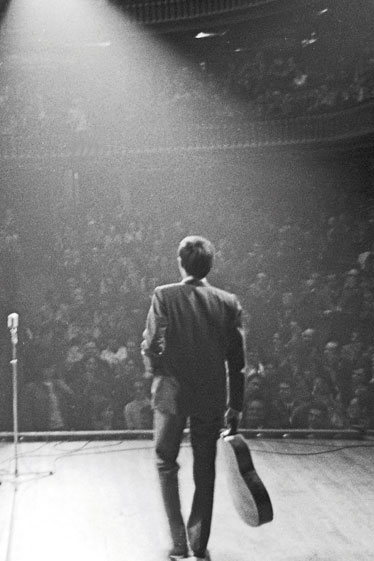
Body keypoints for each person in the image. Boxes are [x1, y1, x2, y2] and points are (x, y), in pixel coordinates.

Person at [142, 235, 246, 560]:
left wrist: (155, 367)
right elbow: (237, 362)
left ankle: (178, 544)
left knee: (166, 463)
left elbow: (153, 344)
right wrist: (236, 404)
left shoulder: (164, 295)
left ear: (180, 262)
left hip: (171, 393)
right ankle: (199, 544)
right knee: (205, 469)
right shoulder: (228, 302)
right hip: (211, 395)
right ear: (209, 265)